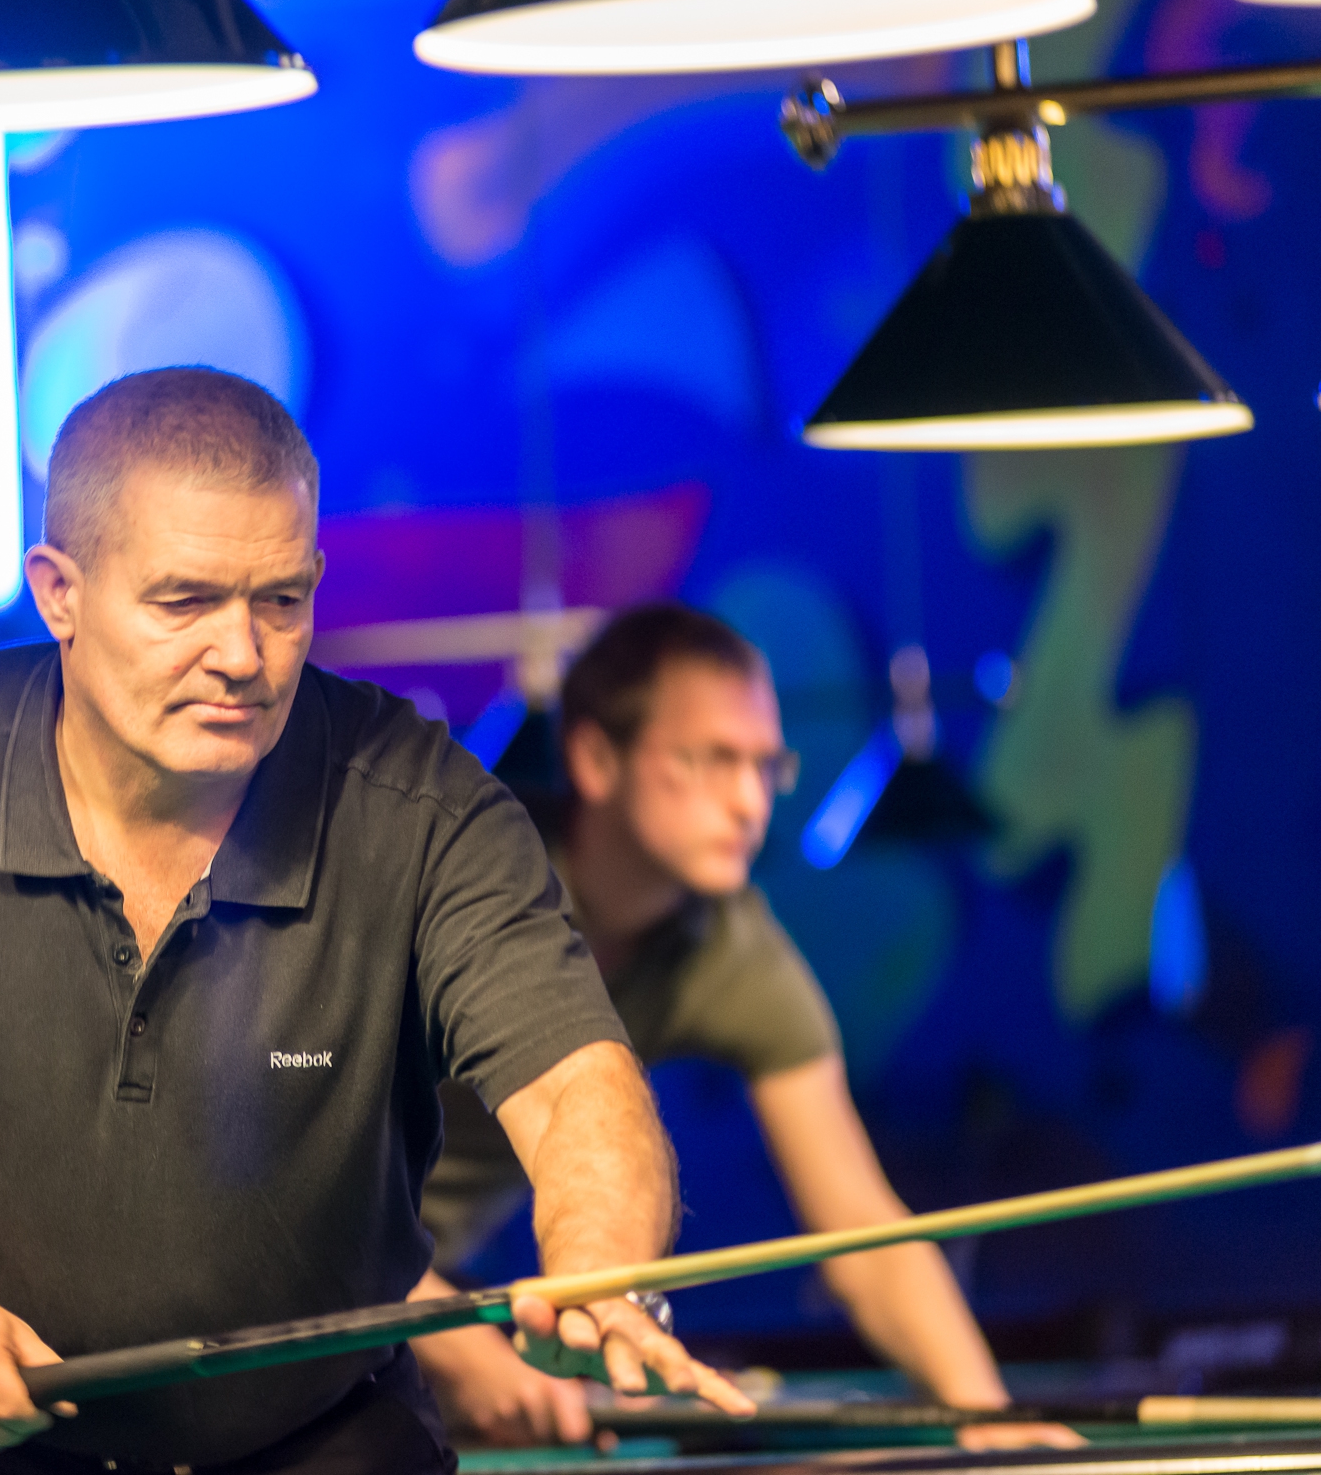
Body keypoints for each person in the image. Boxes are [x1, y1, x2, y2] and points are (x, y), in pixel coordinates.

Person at [0, 368, 752, 1473]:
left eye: (280, 601)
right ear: (59, 594)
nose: (242, 657)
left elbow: (574, 1086)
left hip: (326, 1444)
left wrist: (605, 1269)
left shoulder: (428, 813)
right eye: (183, 602)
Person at [405, 604, 1081, 1452]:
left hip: (422, 1291)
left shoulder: (732, 945)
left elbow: (862, 1227)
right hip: (303, 1284)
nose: (750, 802)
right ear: (595, 758)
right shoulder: (455, 893)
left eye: (767, 766)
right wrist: (455, 1348)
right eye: (712, 760)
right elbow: (284, 1191)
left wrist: (987, 1418)